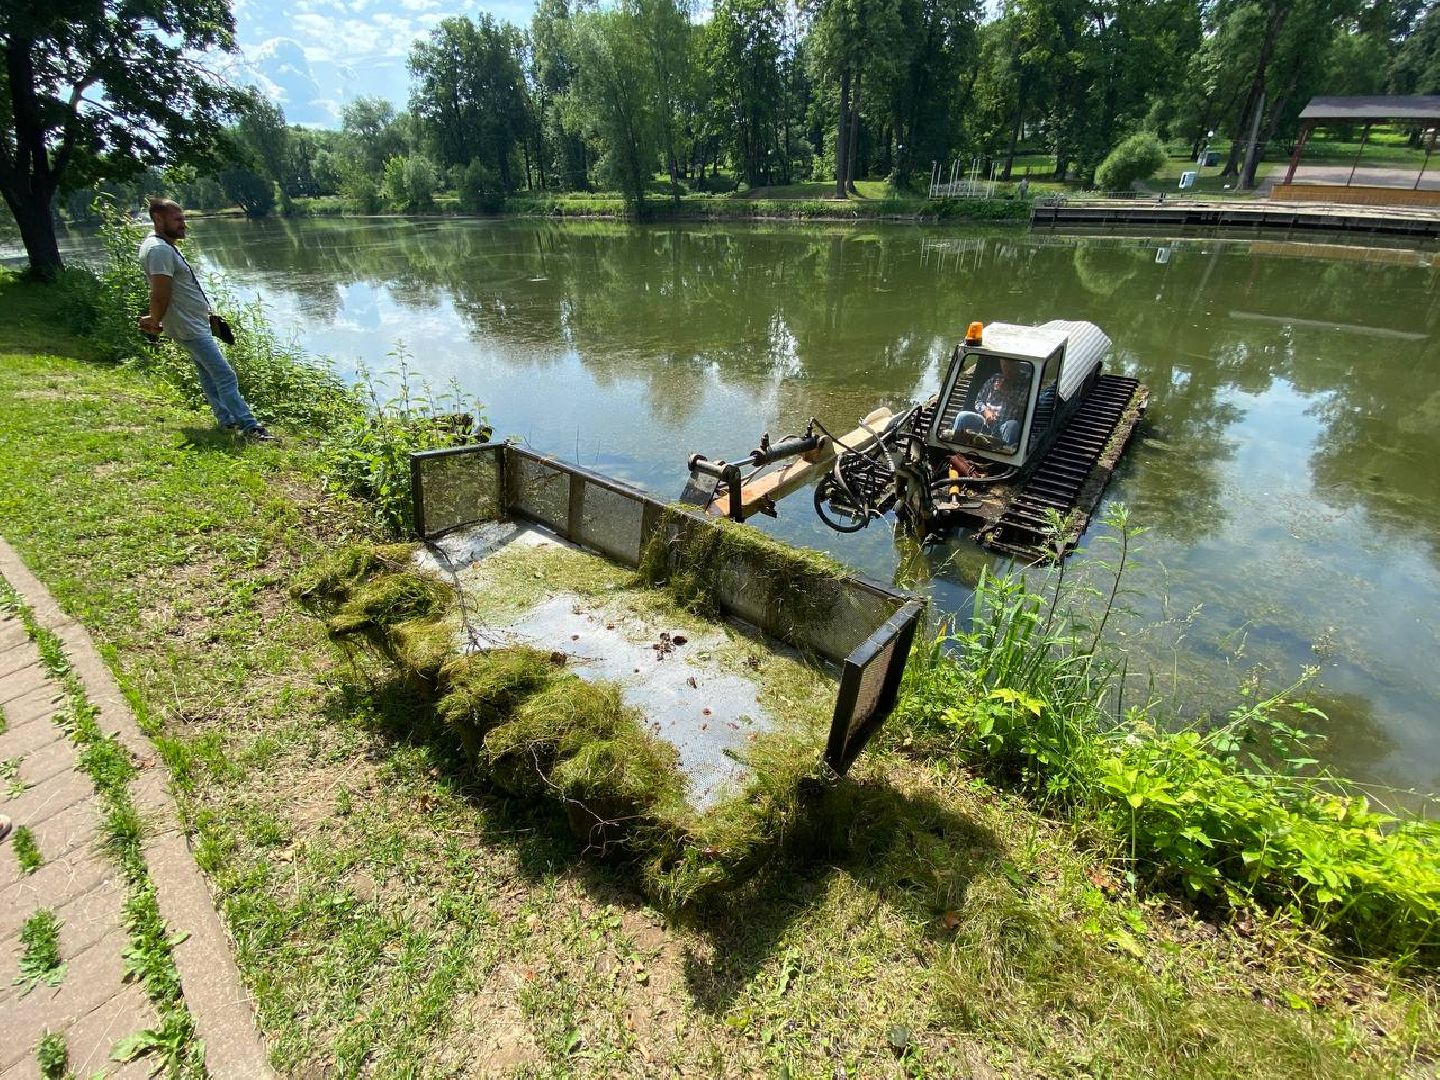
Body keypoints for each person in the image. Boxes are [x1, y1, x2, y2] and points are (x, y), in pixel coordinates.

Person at [137, 198, 273, 441]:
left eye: (183, 219)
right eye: (177, 220)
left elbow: (175, 290)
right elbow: (159, 292)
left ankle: (227, 421)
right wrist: (154, 319)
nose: (183, 225)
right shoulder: (158, 250)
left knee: (208, 373)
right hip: (188, 327)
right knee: (224, 374)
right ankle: (250, 428)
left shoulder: (161, 245)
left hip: (191, 323)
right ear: (158, 219)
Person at [946, 356, 1030, 451]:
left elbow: (1024, 410)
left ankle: (1004, 456)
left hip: (1005, 426)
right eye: (1004, 365)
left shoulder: (1026, 384)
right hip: (985, 422)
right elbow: (979, 401)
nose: (1007, 370)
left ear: (1018, 365)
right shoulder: (995, 378)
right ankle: (954, 451)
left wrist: (1008, 394)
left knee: (1012, 425)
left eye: (1010, 366)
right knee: (963, 416)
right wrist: (986, 411)